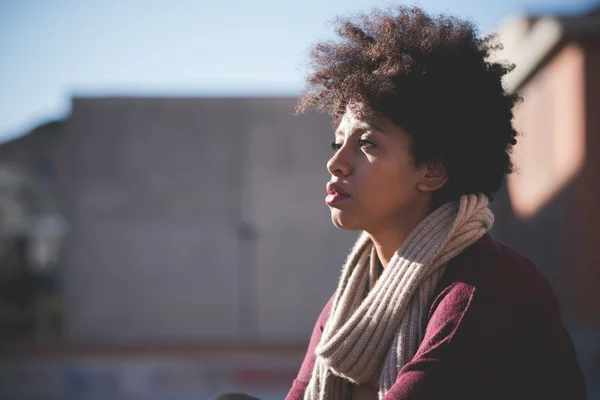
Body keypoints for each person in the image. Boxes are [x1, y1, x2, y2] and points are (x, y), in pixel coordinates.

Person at [285, 5, 587, 400]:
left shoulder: (483, 289)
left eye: (368, 143)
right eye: (337, 141)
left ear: (431, 172)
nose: (336, 162)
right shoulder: (349, 302)